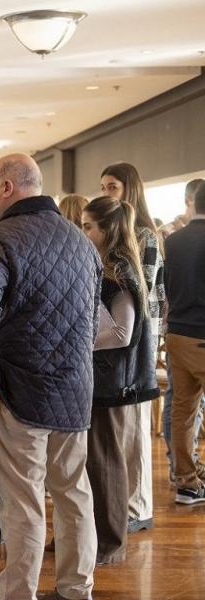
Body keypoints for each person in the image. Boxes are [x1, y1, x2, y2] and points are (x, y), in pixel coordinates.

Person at [0, 154, 100, 600]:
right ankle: (77, 589)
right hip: (75, 390)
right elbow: (92, 319)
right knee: (74, 494)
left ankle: (20, 593)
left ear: (6, 187)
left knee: (21, 502)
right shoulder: (81, 241)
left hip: (19, 392)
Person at [81, 196, 158, 564]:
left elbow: (121, 333)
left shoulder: (119, 270)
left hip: (112, 380)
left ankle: (109, 543)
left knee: (105, 462)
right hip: (104, 378)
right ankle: (94, 537)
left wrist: (77, 341)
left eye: (88, 226)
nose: (83, 232)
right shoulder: (110, 267)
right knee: (95, 461)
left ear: (107, 229)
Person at [100, 161, 165, 533]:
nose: (107, 193)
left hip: (141, 334)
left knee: (138, 424)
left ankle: (138, 506)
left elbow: (143, 287)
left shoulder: (143, 234)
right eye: (104, 187)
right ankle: (126, 503)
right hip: (123, 332)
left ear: (129, 190)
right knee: (124, 427)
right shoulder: (122, 233)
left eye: (113, 187)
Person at [161, 179, 205, 476]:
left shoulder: (173, 240)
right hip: (203, 333)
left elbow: (166, 287)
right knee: (183, 410)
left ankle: (186, 478)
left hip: (177, 332)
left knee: (182, 410)